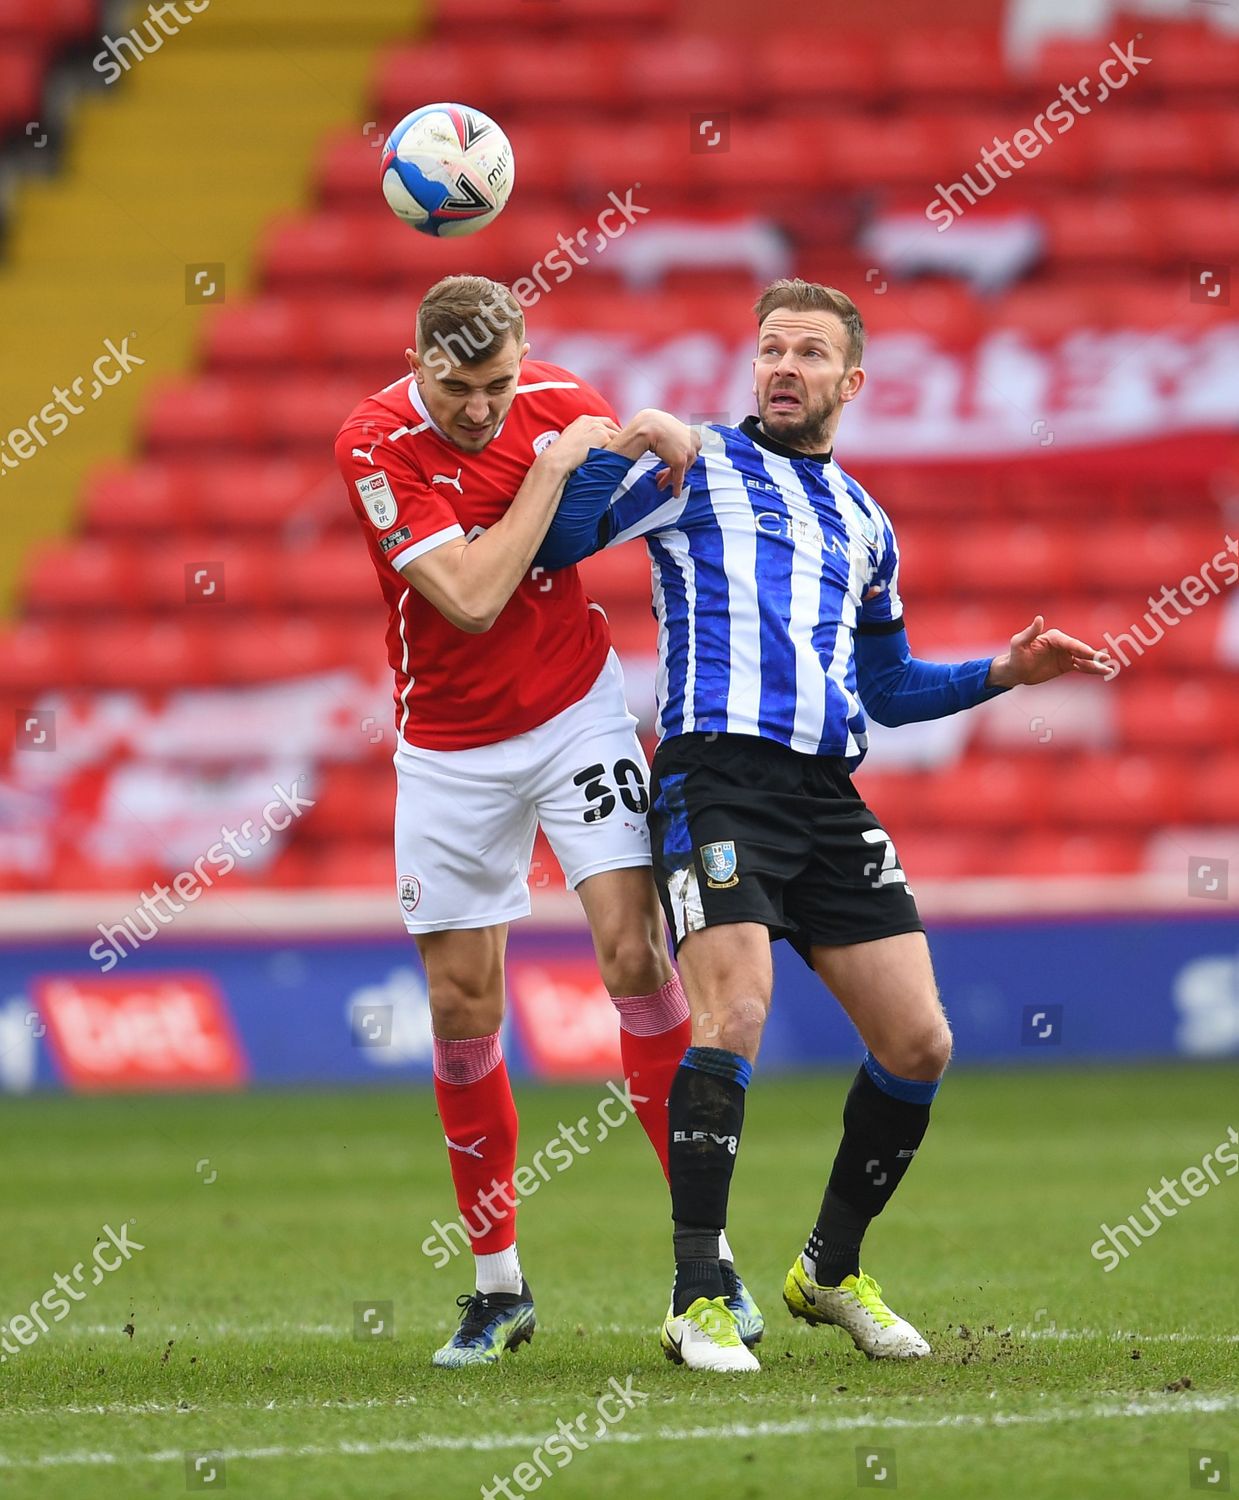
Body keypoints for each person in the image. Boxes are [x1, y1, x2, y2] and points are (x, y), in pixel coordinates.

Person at [535, 277, 1110, 1372]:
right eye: (769, 349)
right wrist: (622, 447)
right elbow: (557, 541)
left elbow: (887, 686)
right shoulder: (695, 464)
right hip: (717, 779)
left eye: (808, 352)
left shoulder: (865, 522)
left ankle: (829, 1270)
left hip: (825, 797)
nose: (784, 367)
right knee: (735, 1007)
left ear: (851, 381)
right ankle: (697, 1291)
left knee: (919, 1042)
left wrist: (1002, 671)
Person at [333, 274, 760, 1369]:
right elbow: (470, 595)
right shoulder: (375, 444)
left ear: (528, 355)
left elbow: (655, 499)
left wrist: (681, 442)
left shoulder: (562, 393)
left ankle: (705, 1262)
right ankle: (497, 1286)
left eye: (501, 384)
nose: (482, 408)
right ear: (417, 360)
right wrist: (556, 464)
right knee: (461, 1001)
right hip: (450, 748)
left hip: (578, 718)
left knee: (634, 956)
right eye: (460, 387)